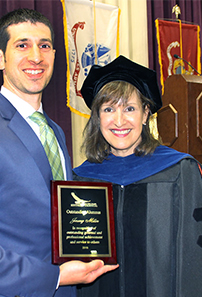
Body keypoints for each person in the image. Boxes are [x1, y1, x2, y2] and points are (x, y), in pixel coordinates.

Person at [0, 8, 117, 297]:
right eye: (22, 45)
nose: (36, 57)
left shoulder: (55, 131)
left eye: (44, 46)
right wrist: (52, 277)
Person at [74, 55, 202, 297]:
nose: (119, 120)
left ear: (145, 114)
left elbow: (193, 259)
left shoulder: (179, 171)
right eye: (109, 109)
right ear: (98, 117)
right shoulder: (82, 179)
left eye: (129, 108)